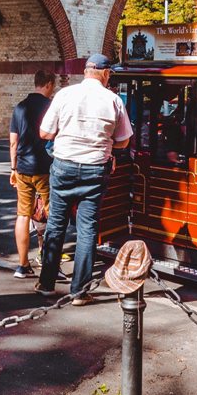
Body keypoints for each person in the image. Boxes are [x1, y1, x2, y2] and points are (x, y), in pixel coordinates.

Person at [37, 53, 133, 302]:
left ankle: (46, 283)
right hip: (94, 169)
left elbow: (45, 133)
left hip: (64, 166)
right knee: (87, 229)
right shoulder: (113, 100)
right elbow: (124, 141)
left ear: (87, 71)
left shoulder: (65, 95)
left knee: (56, 224)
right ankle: (79, 291)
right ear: (104, 73)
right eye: (110, 73)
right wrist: (106, 141)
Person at [7, 69, 56, 279]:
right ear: (48, 84)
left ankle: (22, 265)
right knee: (53, 214)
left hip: (23, 169)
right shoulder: (51, 106)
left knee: (23, 215)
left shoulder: (20, 107)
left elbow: (13, 142)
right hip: (45, 167)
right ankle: (50, 264)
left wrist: (13, 168)